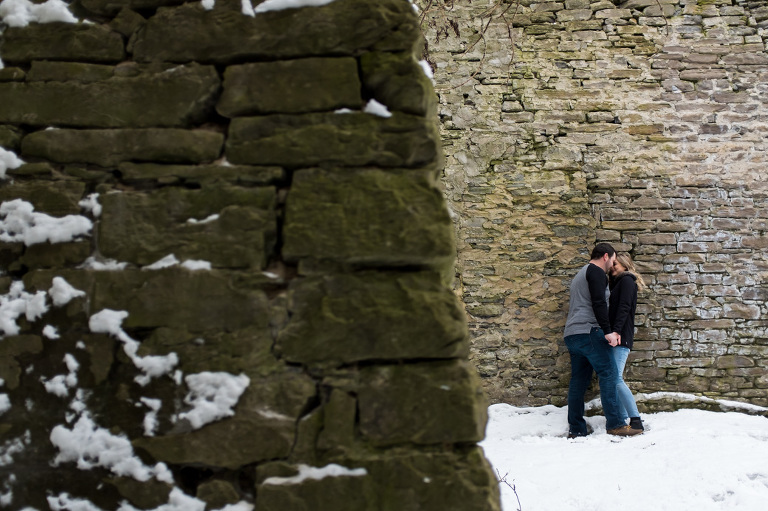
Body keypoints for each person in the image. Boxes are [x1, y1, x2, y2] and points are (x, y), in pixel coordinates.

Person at [563, 243, 642, 438]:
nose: (612, 265)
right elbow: (599, 303)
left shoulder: (580, 275)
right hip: (589, 331)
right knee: (609, 374)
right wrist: (608, 331)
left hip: (572, 334)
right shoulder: (596, 271)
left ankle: (576, 428)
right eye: (613, 260)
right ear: (606, 256)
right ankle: (615, 424)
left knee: (578, 382)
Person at [609, 252, 646, 432]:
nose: (612, 266)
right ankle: (625, 419)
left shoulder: (626, 282)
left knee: (615, 378)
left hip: (621, 337)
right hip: (619, 336)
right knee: (615, 378)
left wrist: (616, 331)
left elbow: (624, 308)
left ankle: (636, 420)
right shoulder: (620, 283)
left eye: (615, 263)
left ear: (624, 265)